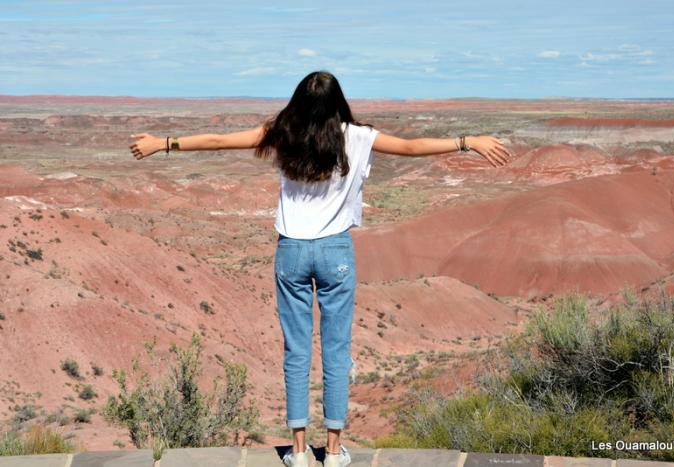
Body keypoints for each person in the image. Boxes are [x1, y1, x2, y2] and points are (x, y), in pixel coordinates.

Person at [129, 70, 513, 467]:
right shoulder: (357, 136)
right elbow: (413, 146)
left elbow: (218, 141)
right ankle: (332, 451)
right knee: (336, 350)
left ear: (298, 101)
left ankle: (297, 451)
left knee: (296, 350)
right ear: (338, 103)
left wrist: (164, 143)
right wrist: (467, 142)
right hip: (335, 253)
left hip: (291, 251)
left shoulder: (281, 132)